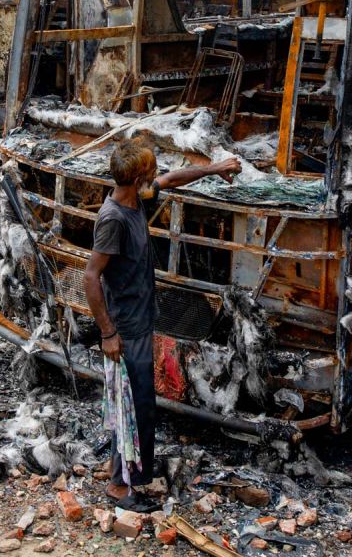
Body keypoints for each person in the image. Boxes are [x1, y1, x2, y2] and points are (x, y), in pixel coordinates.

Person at [83, 137, 241, 512]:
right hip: (125, 327)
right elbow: (91, 277)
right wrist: (107, 333)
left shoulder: (136, 199)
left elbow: (171, 180)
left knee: (134, 401)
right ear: (137, 176)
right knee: (134, 406)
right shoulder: (113, 219)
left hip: (139, 320)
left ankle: (119, 470)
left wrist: (215, 168)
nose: (156, 176)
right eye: (150, 171)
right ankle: (121, 490)